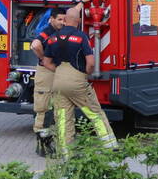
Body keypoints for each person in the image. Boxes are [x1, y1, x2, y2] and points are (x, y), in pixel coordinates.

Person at [43, 8, 117, 157]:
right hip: (77, 81)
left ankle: (65, 152)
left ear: (65, 20)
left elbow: (46, 62)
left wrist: (59, 73)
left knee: (63, 118)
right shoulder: (81, 37)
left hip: (58, 82)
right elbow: (90, 62)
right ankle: (110, 146)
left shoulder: (53, 38)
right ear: (78, 21)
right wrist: (85, 73)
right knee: (95, 113)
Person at [29, 7, 67, 155]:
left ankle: (49, 142)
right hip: (45, 74)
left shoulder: (58, 30)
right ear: (51, 19)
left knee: (54, 108)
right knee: (43, 108)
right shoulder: (47, 31)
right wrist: (43, 58)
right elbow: (35, 45)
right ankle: (42, 146)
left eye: (64, 19)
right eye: (59, 19)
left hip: (54, 72)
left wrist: (80, 4)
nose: (62, 22)